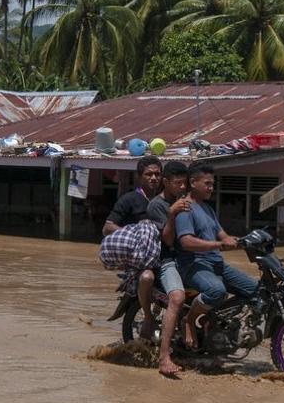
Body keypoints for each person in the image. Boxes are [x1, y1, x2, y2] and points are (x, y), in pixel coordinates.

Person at [174, 162, 258, 347]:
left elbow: (223, 236)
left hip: (216, 264)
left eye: (213, 184)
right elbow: (186, 242)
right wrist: (220, 244)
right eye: (208, 183)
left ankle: (214, 320)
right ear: (193, 182)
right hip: (193, 265)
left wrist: (245, 241)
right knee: (216, 290)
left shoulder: (207, 208)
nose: (211, 188)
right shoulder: (184, 208)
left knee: (256, 290)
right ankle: (188, 320)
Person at [103, 155, 163, 337]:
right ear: (139, 177)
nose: (153, 178)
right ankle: (148, 318)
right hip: (142, 260)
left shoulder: (166, 199)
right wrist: (135, 237)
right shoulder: (129, 199)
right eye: (148, 174)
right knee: (146, 278)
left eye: (157, 174)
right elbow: (108, 227)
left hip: (165, 255)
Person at [145, 161, 191, 378]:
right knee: (177, 298)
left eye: (185, 183)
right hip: (167, 259)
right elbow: (168, 240)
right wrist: (172, 214)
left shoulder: (186, 201)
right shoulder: (157, 205)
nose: (182, 187)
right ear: (166, 182)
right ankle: (164, 358)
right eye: (178, 183)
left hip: (188, 257)